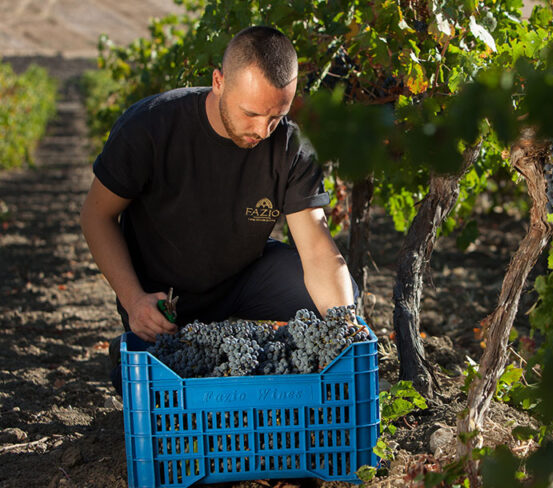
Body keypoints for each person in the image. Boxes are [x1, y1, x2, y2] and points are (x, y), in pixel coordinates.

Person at [80, 26, 357, 358]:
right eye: (251, 113)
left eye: (276, 116)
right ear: (218, 82)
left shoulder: (290, 148)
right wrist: (134, 299)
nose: (262, 130)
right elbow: (97, 215)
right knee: (154, 382)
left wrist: (345, 328)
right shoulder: (150, 128)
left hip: (243, 278)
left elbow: (317, 251)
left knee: (341, 303)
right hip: (166, 295)